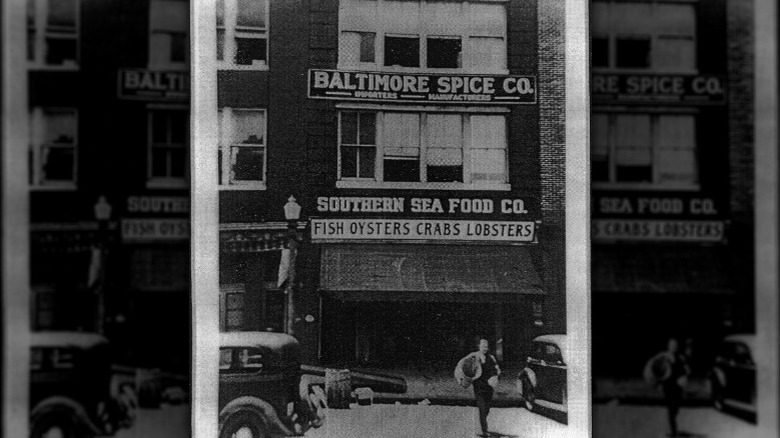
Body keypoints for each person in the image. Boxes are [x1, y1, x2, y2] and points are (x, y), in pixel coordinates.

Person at [643, 337, 691, 437]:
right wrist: (656, 381)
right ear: (668, 346)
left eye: (675, 346)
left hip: (678, 387)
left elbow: (686, 370)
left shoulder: (680, 358)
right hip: (668, 386)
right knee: (671, 408)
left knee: (675, 409)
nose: (674, 347)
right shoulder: (662, 356)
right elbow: (653, 366)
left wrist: (686, 373)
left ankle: (672, 426)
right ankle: (673, 431)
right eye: (672, 345)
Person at [455, 338, 501, 437]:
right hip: (479, 387)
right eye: (483, 346)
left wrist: (495, 376)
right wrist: (461, 377)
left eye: (486, 346)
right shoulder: (473, 356)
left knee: (487, 408)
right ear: (479, 346)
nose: (485, 348)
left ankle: (481, 424)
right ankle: (484, 430)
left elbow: (497, 369)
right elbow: (462, 364)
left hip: (489, 387)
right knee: (482, 408)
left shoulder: (491, 358)